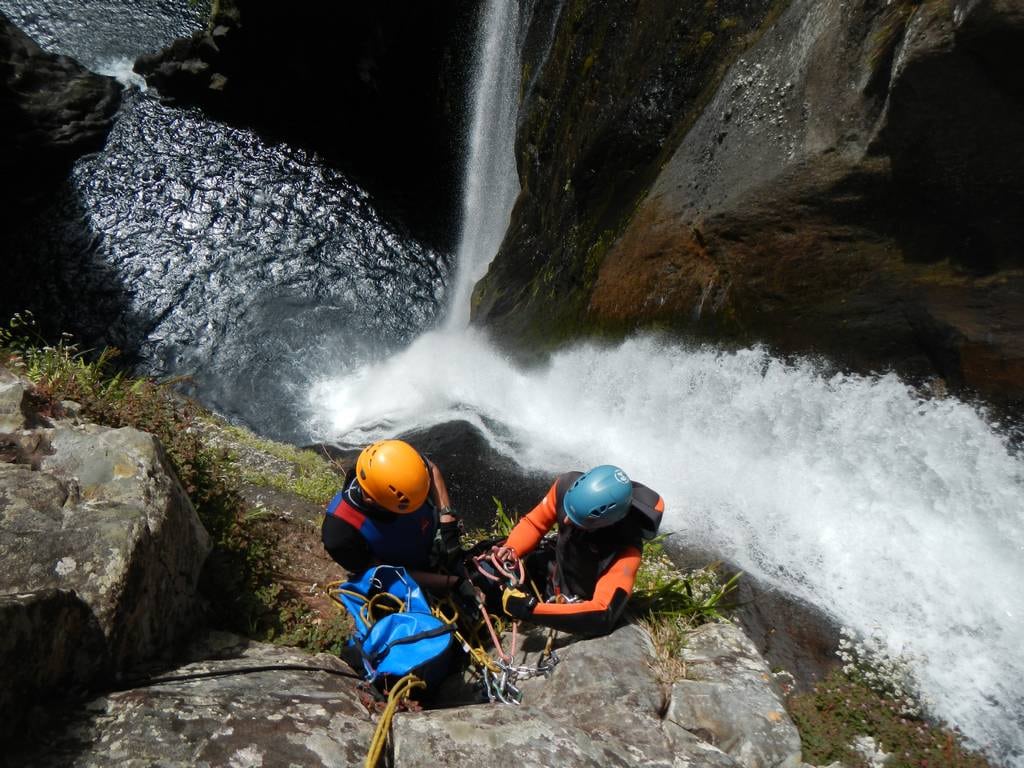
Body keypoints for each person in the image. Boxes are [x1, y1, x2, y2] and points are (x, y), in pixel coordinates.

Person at [494, 464, 664, 636]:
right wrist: (511, 548)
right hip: (555, 578)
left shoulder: (626, 551)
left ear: (605, 523)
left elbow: (603, 613)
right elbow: (534, 524)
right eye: (568, 510)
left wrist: (530, 609)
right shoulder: (565, 485)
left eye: (578, 520)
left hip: (577, 603)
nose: (566, 520)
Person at [322, 439, 466, 593]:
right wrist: (451, 582)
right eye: (406, 507)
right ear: (371, 500)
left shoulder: (390, 457)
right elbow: (385, 575)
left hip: (433, 539)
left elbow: (430, 468)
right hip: (413, 577)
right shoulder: (339, 534)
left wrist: (446, 517)